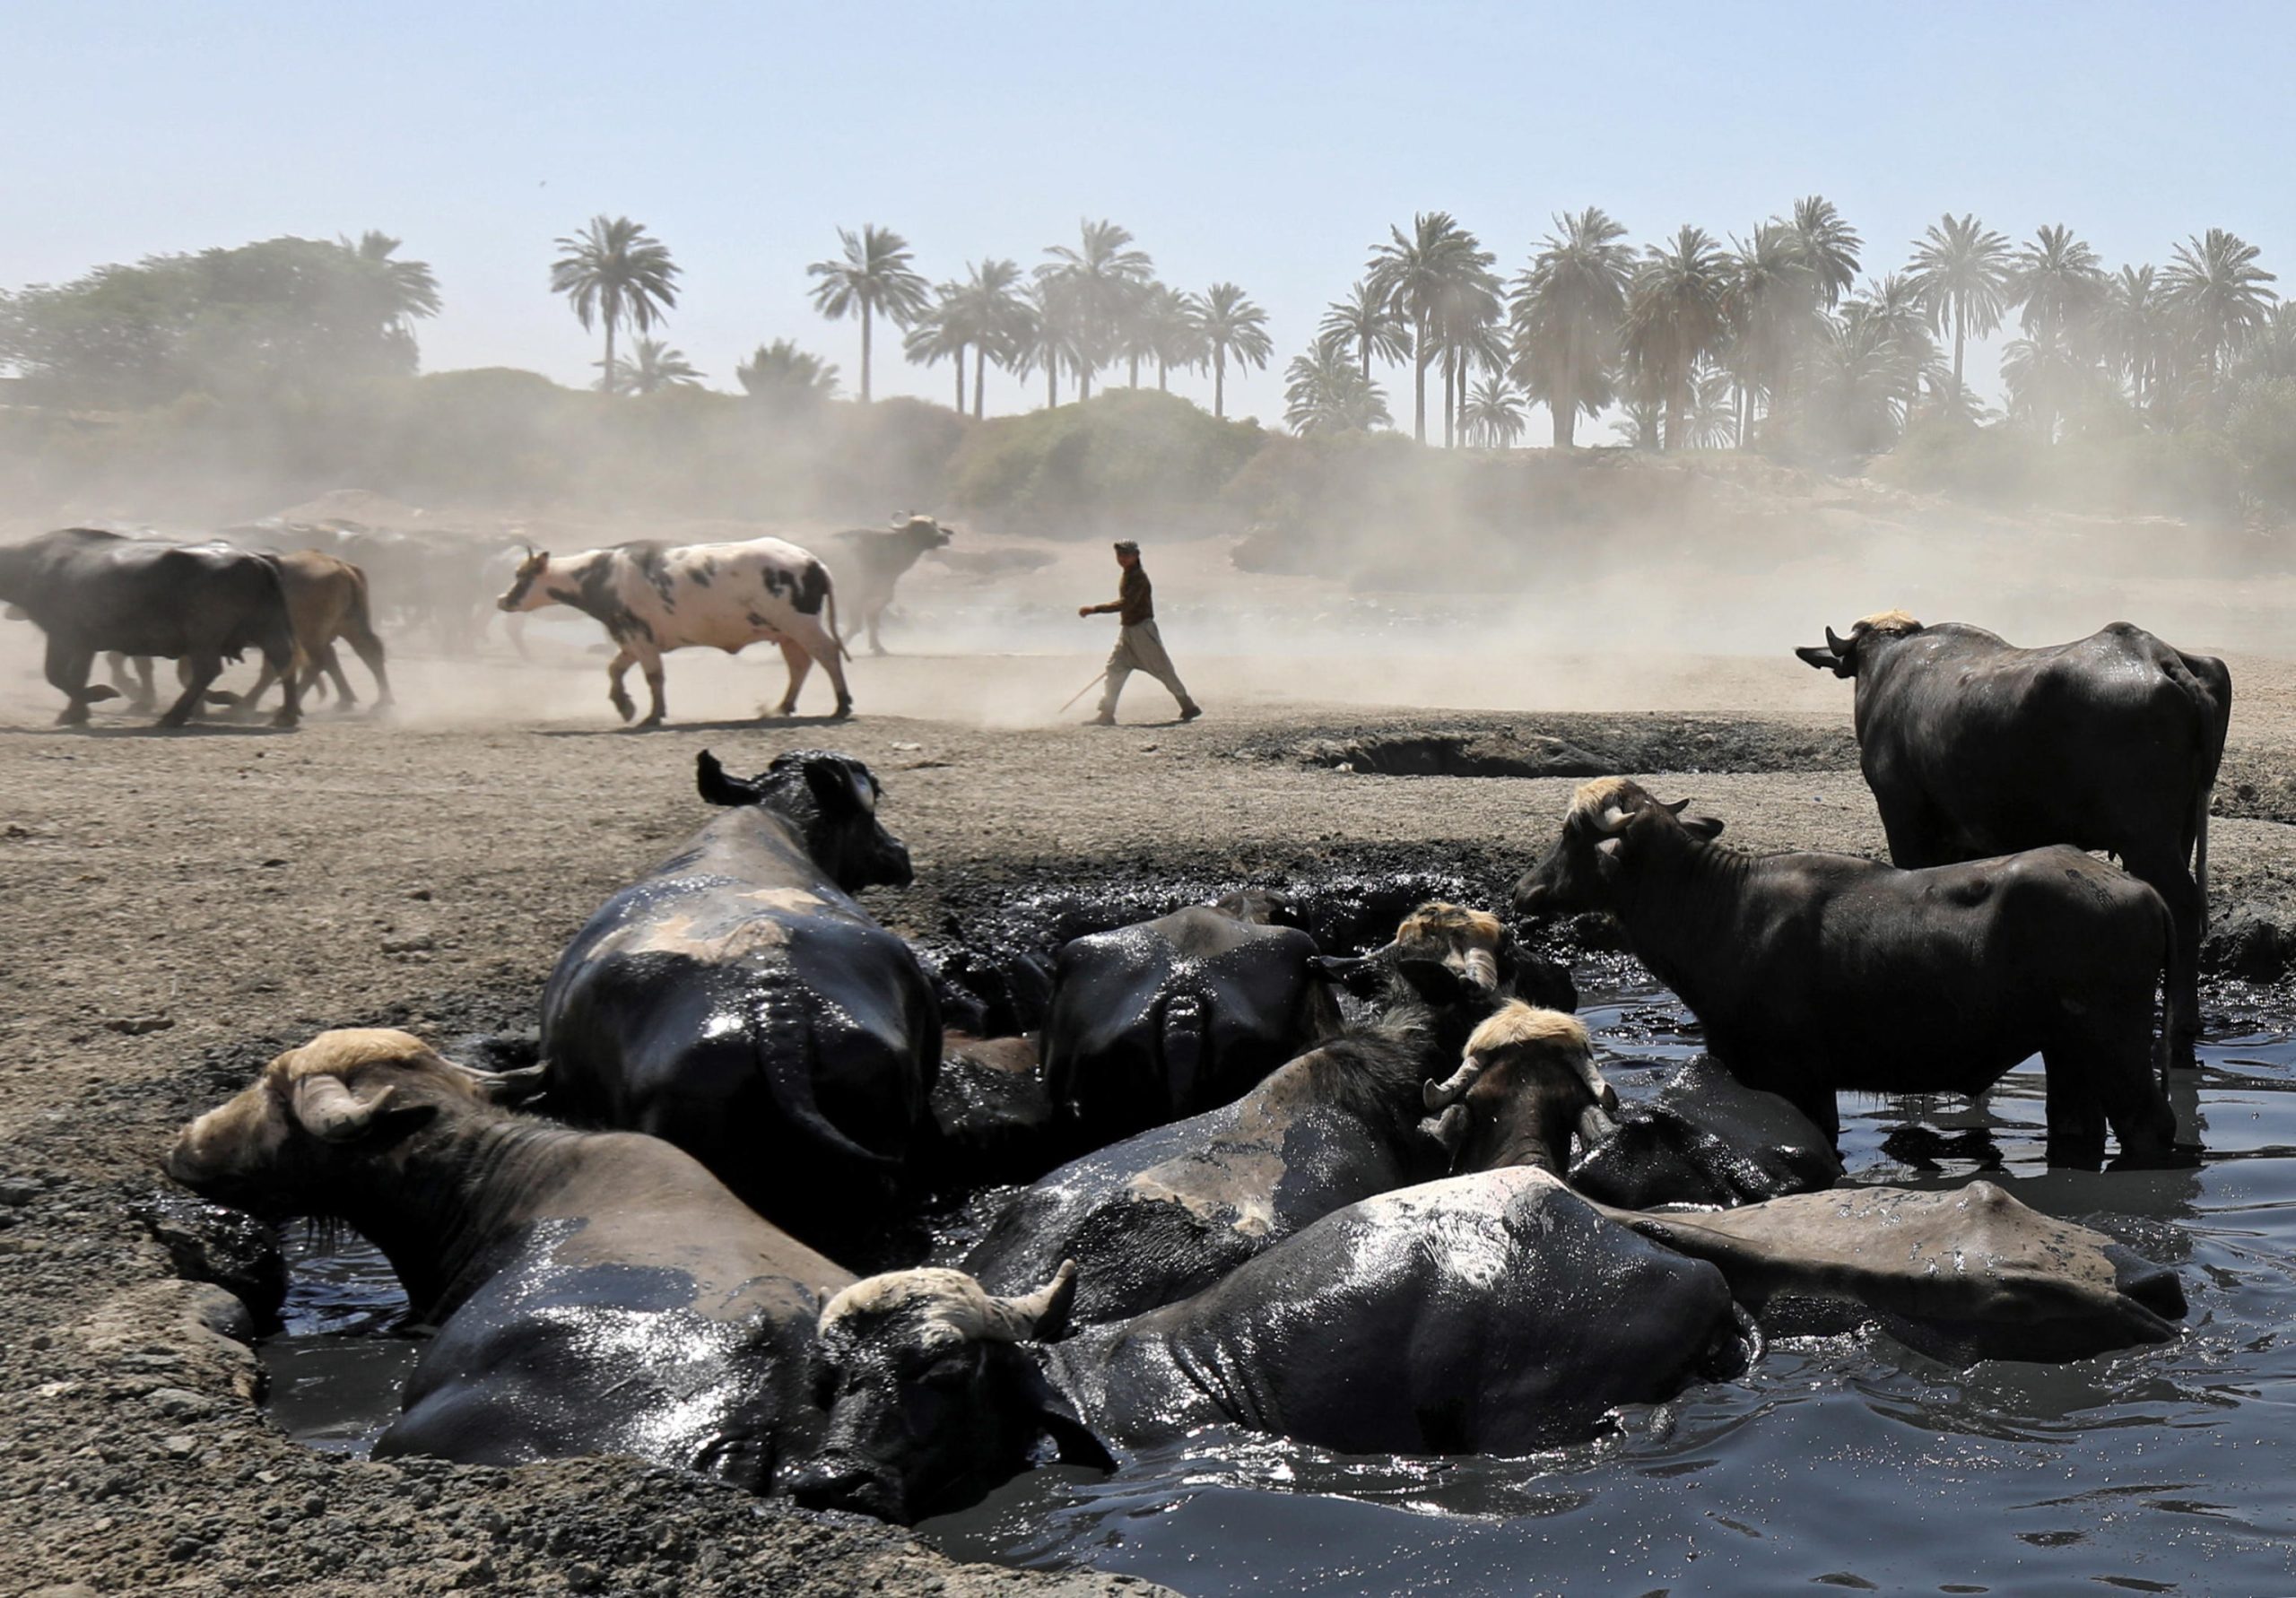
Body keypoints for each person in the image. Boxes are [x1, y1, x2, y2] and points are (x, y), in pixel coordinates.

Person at [1078, 540, 1201, 725]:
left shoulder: (1139, 578)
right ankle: (1106, 714)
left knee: (1162, 669)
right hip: (1128, 630)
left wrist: (1095, 609)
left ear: (1136, 556)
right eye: (1120, 555)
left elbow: (1126, 603)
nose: (1122, 559)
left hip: (1142, 630)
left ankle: (1188, 706)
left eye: (1126, 555)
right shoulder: (1128, 575)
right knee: (1115, 668)